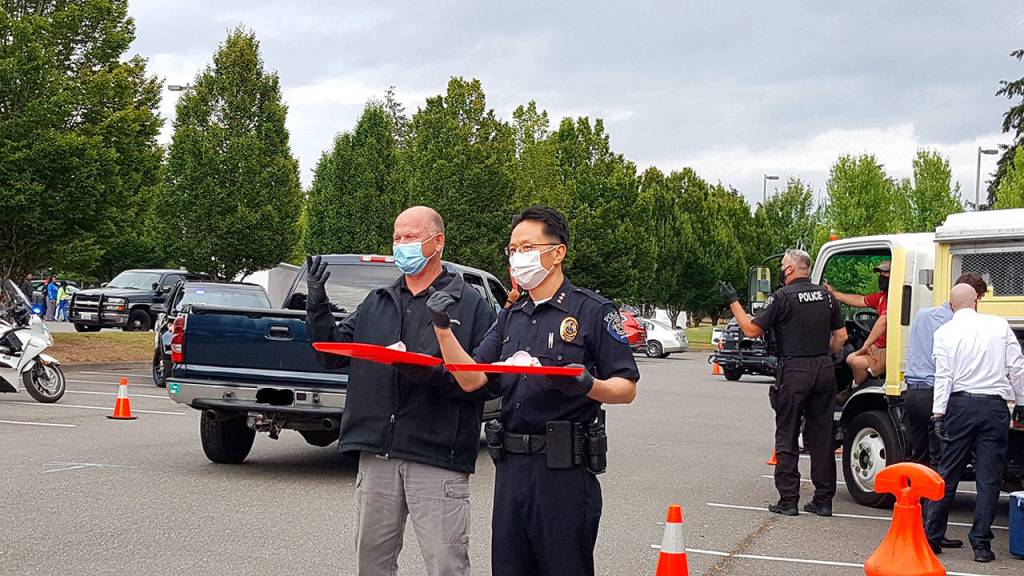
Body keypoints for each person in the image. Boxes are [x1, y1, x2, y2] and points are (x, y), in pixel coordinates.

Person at [429, 206, 639, 576]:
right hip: (512, 469)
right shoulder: (511, 316)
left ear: (558, 253)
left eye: (527, 247)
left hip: (564, 472)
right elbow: (471, 378)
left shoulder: (591, 310)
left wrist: (589, 385)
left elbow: (626, 387)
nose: (517, 257)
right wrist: (443, 330)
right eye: (512, 250)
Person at [305, 206, 496, 576]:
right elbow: (332, 353)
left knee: (446, 565)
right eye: (397, 237)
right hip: (378, 452)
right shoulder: (379, 300)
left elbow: (482, 384)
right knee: (372, 563)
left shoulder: (469, 304)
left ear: (437, 242)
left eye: (411, 237)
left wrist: (425, 371)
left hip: (436, 456)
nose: (401, 245)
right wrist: (317, 304)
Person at [722, 248, 847, 517]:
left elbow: (751, 330)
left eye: (782, 265)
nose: (780, 269)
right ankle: (823, 500)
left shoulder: (782, 297)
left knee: (788, 434)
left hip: (794, 370)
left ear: (790, 269)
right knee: (822, 436)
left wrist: (733, 301)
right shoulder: (827, 296)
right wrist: (824, 355)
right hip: (823, 369)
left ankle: (788, 500)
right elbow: (841, 337)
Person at [924, 284, 1024, 563]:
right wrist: (1022, 401)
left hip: (959, 406)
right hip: (993, 407)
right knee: (989, 479)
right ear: (976, 302)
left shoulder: (943, 332)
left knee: (948, 472)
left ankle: (932, 537)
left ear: (951, 305)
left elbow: (944, 376)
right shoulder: (999, 325)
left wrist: (938, 413)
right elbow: (1017, 367)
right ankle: (981, 545)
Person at [903, 273, 988, 472]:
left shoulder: (922, 315)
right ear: (972, 298)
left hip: (913, 393)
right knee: (939, 457)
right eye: (979, 299)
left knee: (919, 456)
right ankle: (937, 492)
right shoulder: (957, 324)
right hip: (936, 393)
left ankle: (919, 491)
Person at [826, 260, 890, 385]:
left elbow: (883, 321)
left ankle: (857, 388)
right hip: (878, 346)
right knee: (850, 358)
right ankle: (856, 385)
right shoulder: (882, 297)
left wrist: (867, 344)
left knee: (856, 363)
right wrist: (834, 293)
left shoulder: (897, 298)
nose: (881, 277)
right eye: (880, 274)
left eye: (885, 274)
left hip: (889, 349)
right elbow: (860, 300)